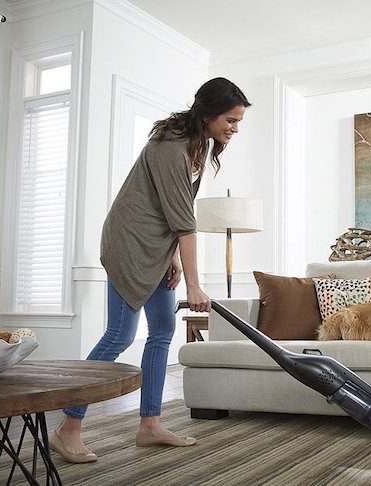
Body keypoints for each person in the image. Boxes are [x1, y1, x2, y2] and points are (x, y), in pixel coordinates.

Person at [49, 77, 251, 463]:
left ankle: (150, 424)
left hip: (158, 245)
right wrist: (196, 284)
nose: (234, 128)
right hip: (130, 243)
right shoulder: (171, 145)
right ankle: (67, 428)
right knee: (119, 335)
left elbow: (171, 210)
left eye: (238, 121)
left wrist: (172, 257)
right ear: (208, 113)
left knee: (162, 330)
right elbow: (185, 222)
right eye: (231, 119)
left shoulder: (199, 144)